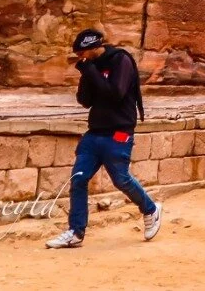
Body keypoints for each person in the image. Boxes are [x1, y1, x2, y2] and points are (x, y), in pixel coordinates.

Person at [46, 29, 163, 249]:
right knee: (78, 179)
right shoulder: (91, 66)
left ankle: (151, 209)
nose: (80, 57)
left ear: (92, 48)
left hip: (119, 130)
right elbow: (85, 101)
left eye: (82, 53)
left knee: (121, 179)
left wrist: (91, 71)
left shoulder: (121, 60)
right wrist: (86, 74)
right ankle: (76, 232)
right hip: (95, 131)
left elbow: (115, 94)